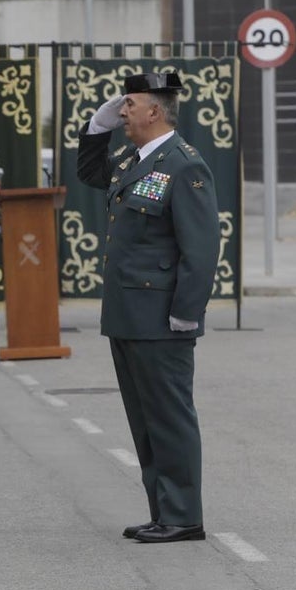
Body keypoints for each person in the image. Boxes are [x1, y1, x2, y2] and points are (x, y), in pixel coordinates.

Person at [76, 71, 220, 544]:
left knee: (170, 417)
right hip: (128, 314)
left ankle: (184, 516)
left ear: (154, 111)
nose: (123, 112)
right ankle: (164, 512)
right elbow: (91, 174)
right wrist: (95, 131)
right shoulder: (135, 160)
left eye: (129, 105)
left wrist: (186, 312)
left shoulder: (183, 165)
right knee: (144, 420)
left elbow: (200, 250)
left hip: (161, 319)